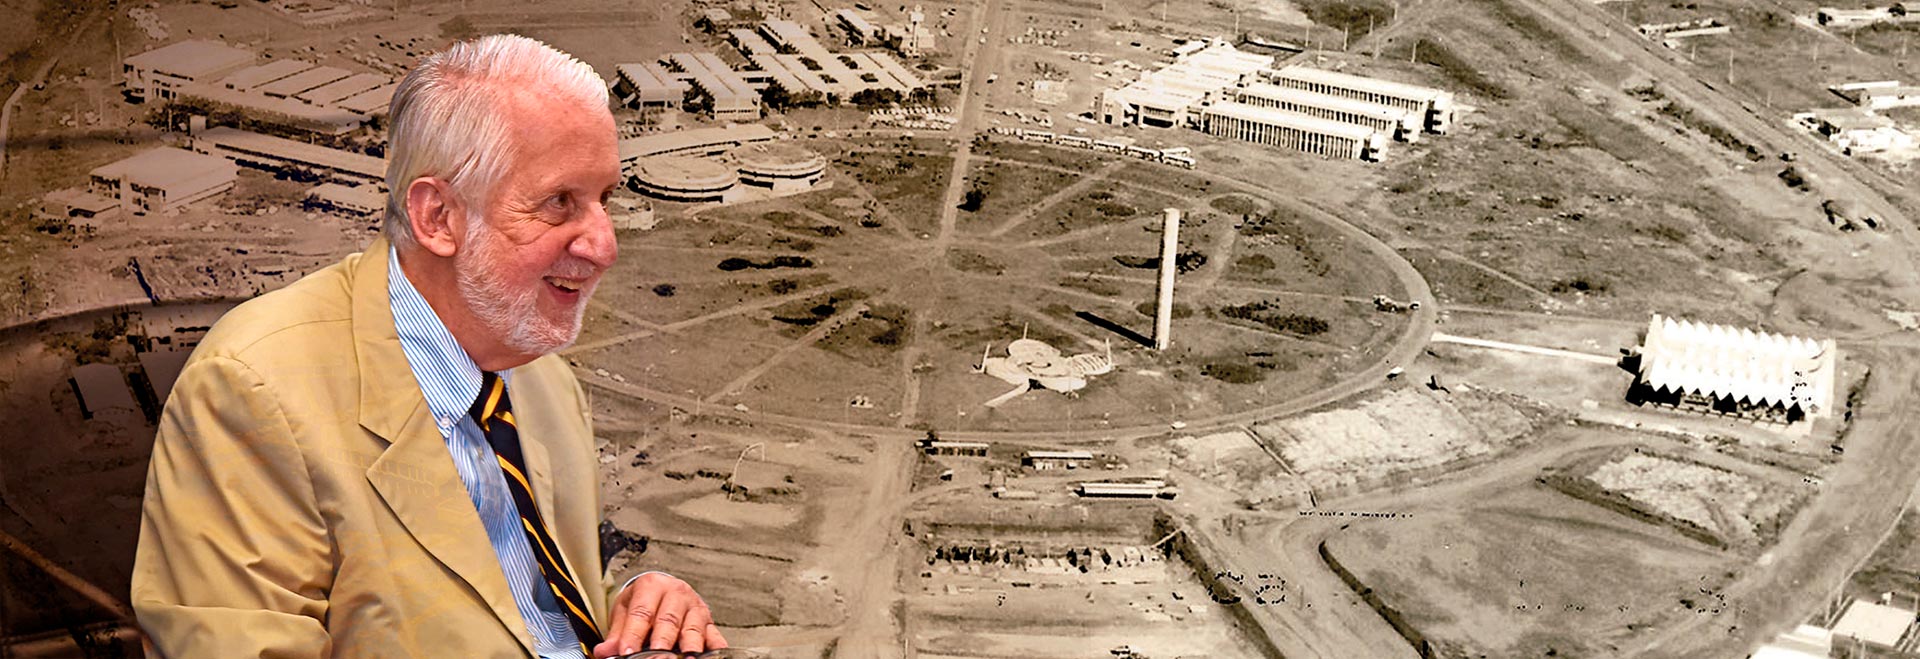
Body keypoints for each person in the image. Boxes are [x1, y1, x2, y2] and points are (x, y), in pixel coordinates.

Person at [131, 35, 723, 658]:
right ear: (437, 216)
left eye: (605, 200)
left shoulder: (539, 378)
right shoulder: (252, 390)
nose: (605, 247)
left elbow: (525, 605)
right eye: (559, 203)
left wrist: (634, 607)